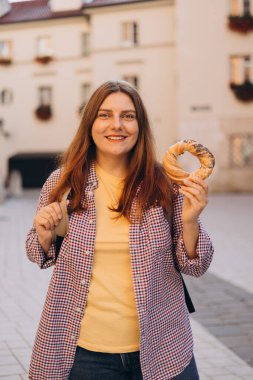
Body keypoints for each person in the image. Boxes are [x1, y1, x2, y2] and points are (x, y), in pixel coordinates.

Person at [26, 80, 214, 380]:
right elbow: (38, 253)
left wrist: (191, 221)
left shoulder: (165, 184)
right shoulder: (62, 183)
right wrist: (44, 233)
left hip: (163, 346)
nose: (117, 125)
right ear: (90, 124)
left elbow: (196, 265)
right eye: (104, 115)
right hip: (84, 355)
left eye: (128, 116)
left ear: (140, 125)